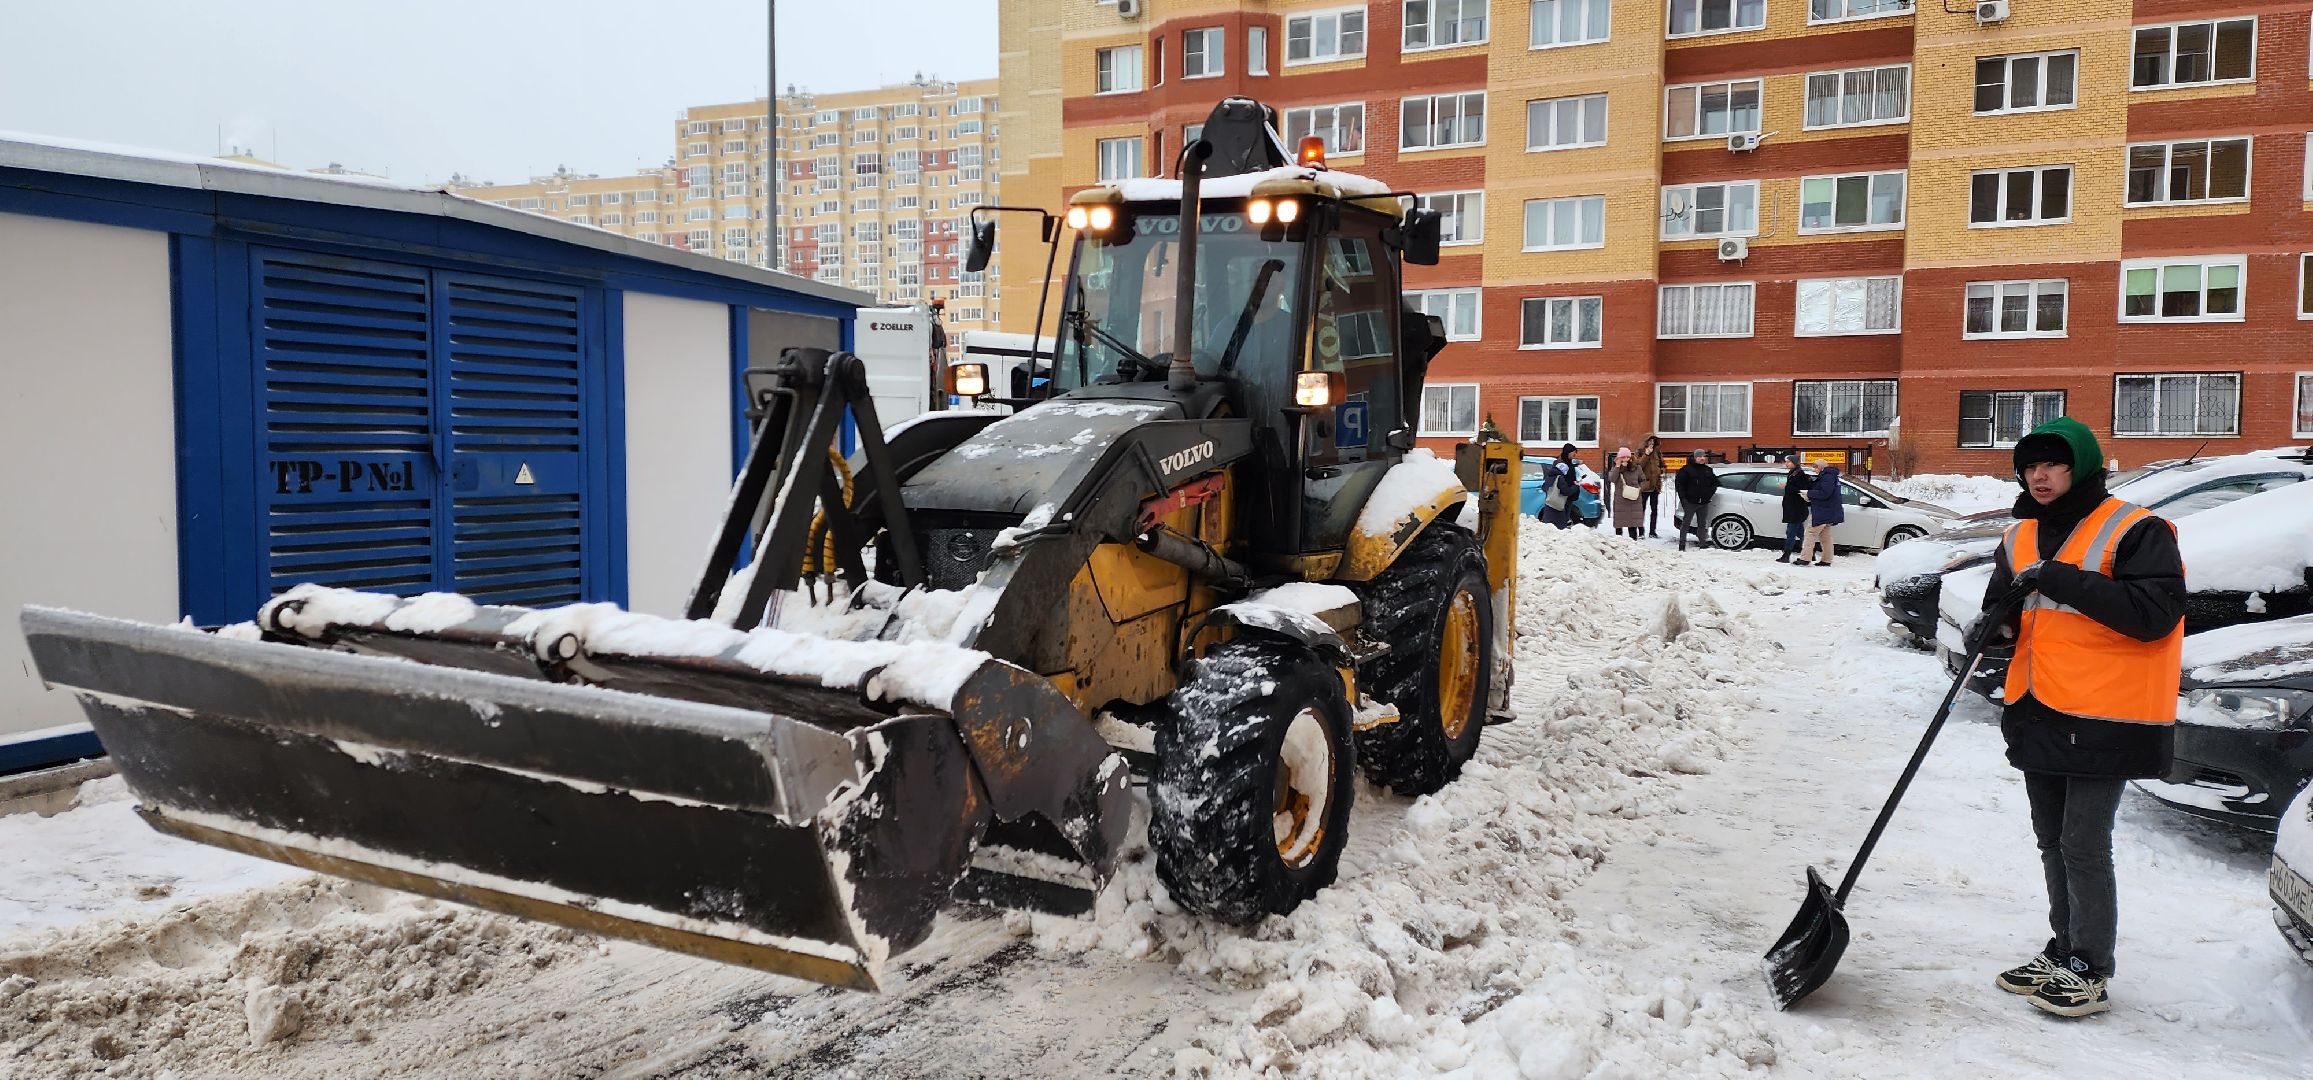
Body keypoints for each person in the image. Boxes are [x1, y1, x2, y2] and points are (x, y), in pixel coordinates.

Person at [1967, 417, 2184, 1019]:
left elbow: (2154, 614)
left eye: (2053, 463)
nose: (2039, 475)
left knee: (2084, 844)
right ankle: (2063, 947)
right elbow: (2004, 608)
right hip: (2039, 706)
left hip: (2105, 713)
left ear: (2081, 466)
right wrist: (1996, 629)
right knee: (2052, 840)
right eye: (2030, 464)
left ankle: (2090, 963)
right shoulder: (2019, 537)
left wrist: (2064, 579)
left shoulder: (2136, 530)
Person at [1671, 449, 1718, 551]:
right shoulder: (1686, 470)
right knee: (1686, 523)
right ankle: (1682, 544)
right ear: (1694, 458)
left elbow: (1715, 483)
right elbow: (1679, 485)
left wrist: (1709, 494)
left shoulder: (1708, 470)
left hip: (1704, 503)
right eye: (1699, 456)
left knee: (1702, 523)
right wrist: (1683, 499)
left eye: (1703, 456)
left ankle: (1702, 543)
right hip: (1690, 502)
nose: (1702, 458)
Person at [1798, 463, 1844, 565]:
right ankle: (1827, 560)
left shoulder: (1827, 478)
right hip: (1828, 511)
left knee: (1810, 533)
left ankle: (1805, 558)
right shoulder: (1830, 477)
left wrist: (1808, 493)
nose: (1814, 470)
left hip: (1822, 511)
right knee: (1825, 537)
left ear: (1821, 467)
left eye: (1815, 468)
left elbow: (1824, 494)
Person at [1536, 442, 1581, 530]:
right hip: (1561, 494)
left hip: (1567, 494)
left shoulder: (1569, 463)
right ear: (1568, 452)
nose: (1575, 455)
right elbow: (1555, 480)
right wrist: (1572, 487)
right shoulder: (1560, 464)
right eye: (1573, 452)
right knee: (1559, 518)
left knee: (1562, 516)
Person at [1606, 446, 1645, 540]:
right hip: (1621, 499)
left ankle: (1633, 544)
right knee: (1619, 524)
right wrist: (1618, 466)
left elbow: (1643, 480)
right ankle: (1618, 545)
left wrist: (1639, 488)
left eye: (1628, 457)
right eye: (1623, 457)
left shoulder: (1636, 468)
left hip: (1634, 499)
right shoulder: (1616, 468)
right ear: (1619, 458)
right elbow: (1612, 479)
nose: (1626, 459)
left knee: (1633, 525)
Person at [1775, 456, 1810, 563]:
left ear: (1794, 463)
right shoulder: (1793, 473)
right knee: (1800, 533)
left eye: (1789, 462)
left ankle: (1786, 555)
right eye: (1786, 462)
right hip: (1792, 508)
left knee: (1790, 533)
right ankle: (1810, 553)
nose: (1787, 464)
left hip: (1796, 509)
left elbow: (1800, 490)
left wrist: (1786, 486)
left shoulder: (1800, 475)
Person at [1636, 436, 1667, 538]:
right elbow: (1638, 465)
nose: (1652, 443)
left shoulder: (1657, 451)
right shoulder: (1640, 451)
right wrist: (1646, 454)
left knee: (1654, 509)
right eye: (1650, 441)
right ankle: (1641, 531)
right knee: (1641, 509)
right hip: (1645, 485)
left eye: (1653, 441)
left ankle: (1652, 531)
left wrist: (1661, 471)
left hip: (1655, 485)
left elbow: (1662, 464)